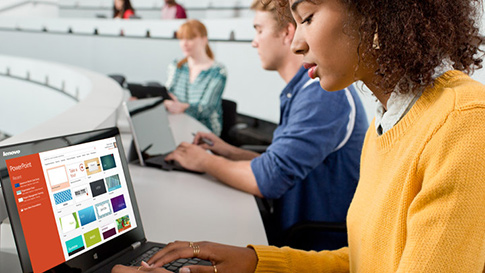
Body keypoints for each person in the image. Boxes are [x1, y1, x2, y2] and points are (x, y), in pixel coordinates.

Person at [112, 0, 485, 272]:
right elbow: (362, 260)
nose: (296, 43)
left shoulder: (463, 125)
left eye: (307, 18)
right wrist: (256, 261)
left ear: (374, 11)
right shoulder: (385, 121)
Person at [165, 0, 368, 252]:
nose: (254, 41)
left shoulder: (322, 94)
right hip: (292, 225)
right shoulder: (301, 90)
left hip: (311, 244)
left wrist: (203, 161)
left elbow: (270, 179)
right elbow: (279, 164)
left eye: (259, 30)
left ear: (286, 33)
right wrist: (227, 151)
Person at [164, 19, 227, 136]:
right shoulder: (177, 66)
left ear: (204, 40)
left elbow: (207, 108)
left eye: (190, 39)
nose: (184, 43)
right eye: (182, 39)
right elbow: (169, 93)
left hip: (205, 129)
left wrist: (184, 108)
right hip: (177, 122)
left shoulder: (218, 70)